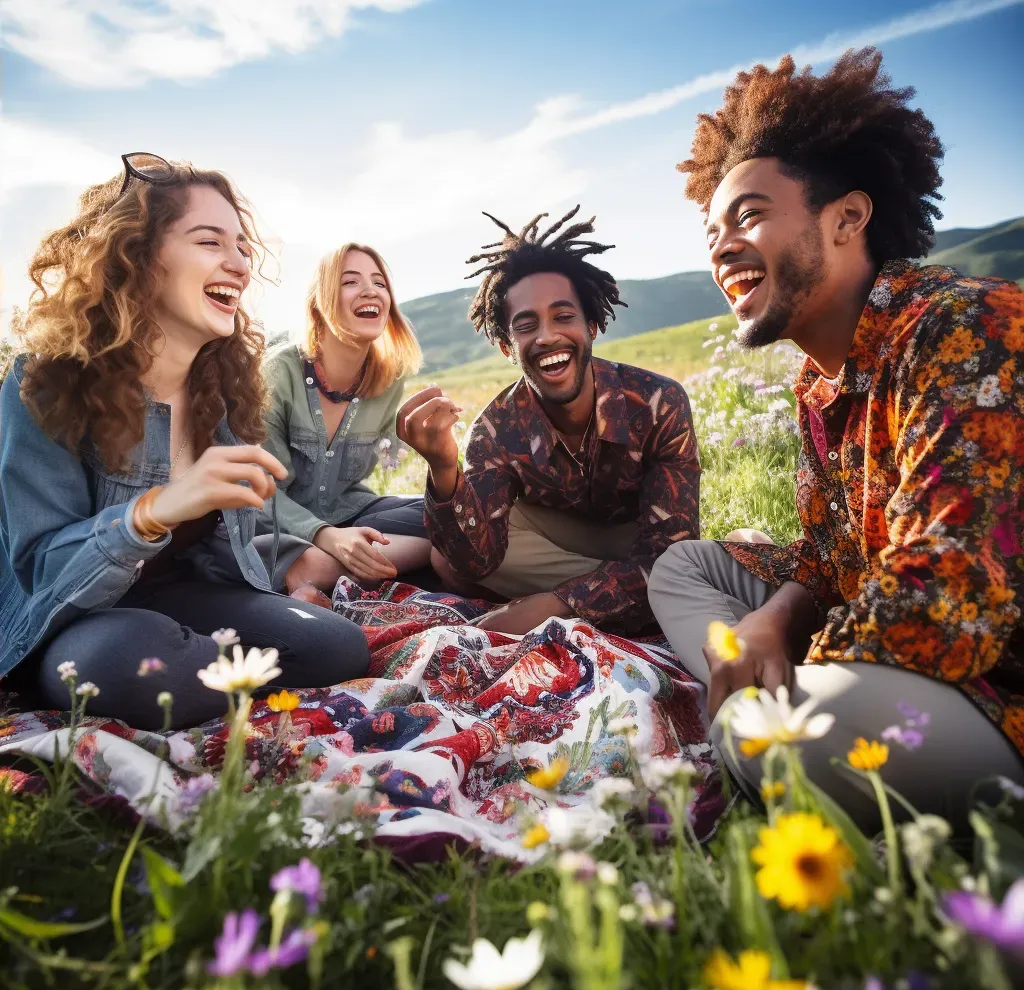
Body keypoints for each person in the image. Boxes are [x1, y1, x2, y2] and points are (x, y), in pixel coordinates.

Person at [648, 49, 1024, 832]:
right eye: (711, 231)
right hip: (894, 655)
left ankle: (748, 730)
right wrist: (777, 616)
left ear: (847, 219)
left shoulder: (965, 327)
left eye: (748, 215)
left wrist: (790, 670)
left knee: (768, 739)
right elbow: (827, 560)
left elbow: (942, 607)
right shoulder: (821, 381)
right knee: (684, 566)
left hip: (996, 694)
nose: (720, 247)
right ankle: (755, 713)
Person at [0, 154, 370, 731]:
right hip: (64, 621)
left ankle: (195, 673)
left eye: (243, 248)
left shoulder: (223, 391)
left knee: (335, 647)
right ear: (138, 256)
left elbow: (213, 548)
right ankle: (189, 674)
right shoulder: (44, 381)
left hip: (169, 600)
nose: (239, 266)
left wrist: (290, 568)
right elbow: (40, 572)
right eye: (210, 242)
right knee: (127, 661)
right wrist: (151, 513)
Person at [397, 207, 701, 636]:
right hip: (564, 544)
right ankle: (642, 595)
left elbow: (671, 544)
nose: (547, 337)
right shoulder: (495, 430)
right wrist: (443, 468)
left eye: (563, 316)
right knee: (448, 558)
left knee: (679, 562)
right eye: (526, 325)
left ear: (592, 325)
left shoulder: (657, 402)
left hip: (642, 537)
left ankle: (644, 591)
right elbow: (475, 561)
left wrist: (556, 604)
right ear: (507, 347)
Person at [262, 244, 429, 593]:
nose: (371, 291)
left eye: (380, 283)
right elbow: (257, 493)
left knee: (448, 517)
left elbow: (387, 464)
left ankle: (327, 572)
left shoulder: (390, 380)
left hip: (352, 516)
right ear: (320, 302)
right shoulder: (277, 373)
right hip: (276, 528)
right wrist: (325, 535)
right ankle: (318, 567)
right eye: (350, 281)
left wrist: (434, 452)